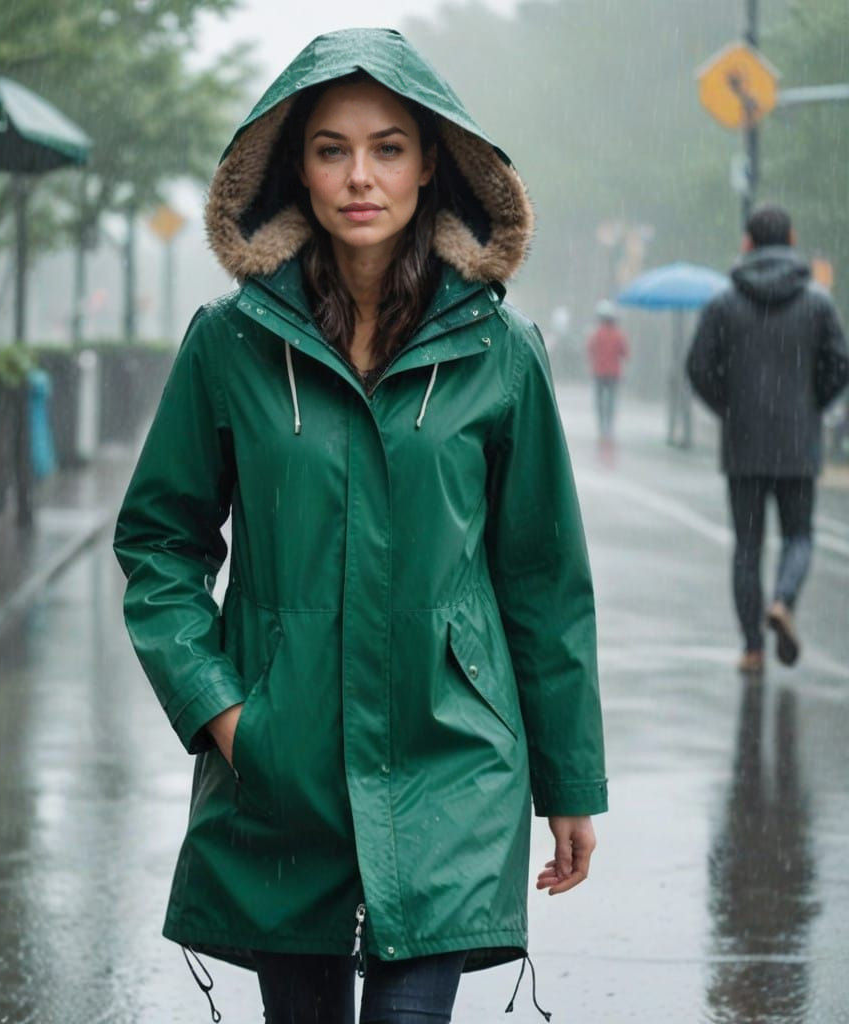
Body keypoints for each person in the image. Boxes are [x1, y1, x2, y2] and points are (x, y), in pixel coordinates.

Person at [114, 27, 607, 1024]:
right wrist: (227, 713)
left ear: (430, 164)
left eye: (387, 146)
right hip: (281, 758)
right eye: (330, 148)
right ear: (296, 165)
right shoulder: (231, 345)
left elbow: (542, 576)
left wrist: (570, 779)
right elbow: (159, 544)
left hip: (451, 754)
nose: (359, 175)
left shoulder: (500, 353)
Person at [686, 204, 849, 674]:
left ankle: (753, 647)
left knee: (747, 548)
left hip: (744, 445)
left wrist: (730, 407)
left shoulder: (724, 302)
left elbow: (698, 367)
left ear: (748, 244)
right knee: (798, 536)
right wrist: (810, 404)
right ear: (792, 239)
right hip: (798, 445)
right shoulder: (817, 302)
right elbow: (840, 363)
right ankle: (783, 600)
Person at [586, 299, 629, 441]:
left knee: (600, 401)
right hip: (613, 373)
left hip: (599, 372)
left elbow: (590, 350)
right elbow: (625, 353)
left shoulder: (596, 333)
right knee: (611, 401)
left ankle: (601, 426)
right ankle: (608, 427)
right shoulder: (618, 335)